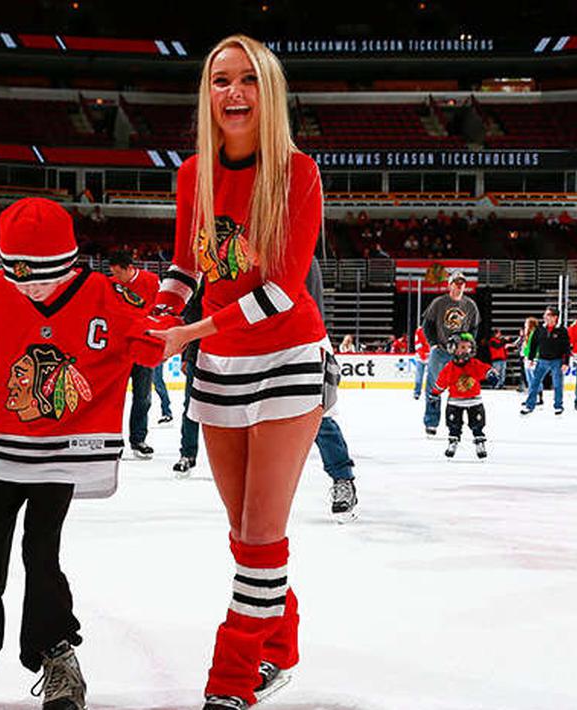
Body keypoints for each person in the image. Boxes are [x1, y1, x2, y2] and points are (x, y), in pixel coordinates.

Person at [0, 198, 164, 710]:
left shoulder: (98, 292)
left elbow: (145, 333)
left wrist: (159, 334)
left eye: (40, 278)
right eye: (21, 277)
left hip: (67, 450)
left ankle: (56, 653)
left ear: (68, 262)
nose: (30, 288)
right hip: (5, 447)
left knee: (40, 551)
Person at [147, 35, 328, 710]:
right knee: (244, 536)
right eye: (220, 80)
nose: (233, 92)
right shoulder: (192, 171)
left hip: (286, 356)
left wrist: (183, 333)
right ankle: (279, 646)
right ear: (207, 93)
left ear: (268, 92)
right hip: (219, 365)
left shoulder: (296, 172)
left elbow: (279, 291)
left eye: (248, 80)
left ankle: (231, 679)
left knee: (259, 537)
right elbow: (185, 267)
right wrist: (156, 313)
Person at [306, 258, 358, 522]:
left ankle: (343, 479)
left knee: (320, 419)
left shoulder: (300, 254)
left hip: (305, 345)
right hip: (258, 349)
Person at [107, 250, 160, 458]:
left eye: (118, 273)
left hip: (143, 347)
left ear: (130, 268)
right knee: (113, 398)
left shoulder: (151, 281)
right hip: (118, 350)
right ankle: (112, 439)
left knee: (143, 397)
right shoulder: (110, 285)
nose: (116, 277)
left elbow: (159, 311)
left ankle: (138, 439)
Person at [421, 271, 480, 435]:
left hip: (460, 353)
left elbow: (474, 327)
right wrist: (432, 344)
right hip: (440, 350)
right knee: (434, 386)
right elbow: (427, 325)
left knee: (462, 386)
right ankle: (431, 422)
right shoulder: (439, 302)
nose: (459, 285)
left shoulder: (470, 305)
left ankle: (457, 422)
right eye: (456, 282)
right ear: (450, 284)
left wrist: (469, 345)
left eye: (462, 283)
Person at [431, 333, 499, 458]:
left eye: (468, 347)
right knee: (453, 425)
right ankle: (453, 441)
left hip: (474, 401)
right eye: (463, 347)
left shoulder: (474, 364)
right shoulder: (449, 368)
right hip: (455, 402)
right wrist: (435, 393)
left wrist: (491, 374)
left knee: (477, 424)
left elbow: (485, 369)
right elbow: (442, 382)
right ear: (453, 348)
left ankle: (479, 442)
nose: (467, 350)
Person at [173, 290, 204, 477]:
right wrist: (186, 357)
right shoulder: (198, 294)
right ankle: (187, 454)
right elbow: (191, 325)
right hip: (197, 356)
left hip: (227, 354)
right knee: (190, 408)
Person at [521, 306, 571, 415]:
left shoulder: (562, 331)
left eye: (548, 315)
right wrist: (530, 358)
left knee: (558, 384)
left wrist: (565, 363)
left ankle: (558, 406)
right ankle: (529, 405)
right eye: (545, 315)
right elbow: (533, 345)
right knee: (534, 383)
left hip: (556, 361)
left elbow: (566, 348)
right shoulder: (539, 330)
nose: (545, 317)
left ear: (555, 317)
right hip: (542, 361)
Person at [514, 317, 541, 401]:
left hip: (533, 359)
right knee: (529, 379)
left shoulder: (534, 334)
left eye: (526, 324)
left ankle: (537, 397)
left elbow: (535, 348)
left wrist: (532, 359)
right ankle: (532, 397)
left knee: (534, 379)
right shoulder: (528, 334)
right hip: (527, 358)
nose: (525, 325)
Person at [412, 325, 430, 400]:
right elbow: (417, 343)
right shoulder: (419, 330)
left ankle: (429, 393)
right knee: (419, 376)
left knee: (431, 377)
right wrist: (421, 353)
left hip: (430, 356)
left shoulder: (433, 328)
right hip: (420, 357)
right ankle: (417, 392)